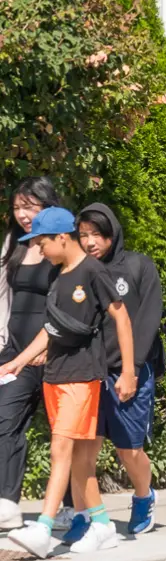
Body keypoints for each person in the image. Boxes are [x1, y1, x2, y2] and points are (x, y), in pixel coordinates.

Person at [1, 208, 136, 558]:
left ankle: (44, 527)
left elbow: (121, 317)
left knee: (61, 450)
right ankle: (103, 525)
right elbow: (51, 328)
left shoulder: (93, 272)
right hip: (55, 375)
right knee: (77, 461)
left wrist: (129, 371)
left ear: (63, 237)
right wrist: (17, 361)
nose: (39, 249)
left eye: (43, 242)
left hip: (82, 375)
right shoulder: (57, 277)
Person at [77, 205, 166, 534]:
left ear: (112, 233)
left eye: (97, 234)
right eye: (83, 235)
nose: (90, 242)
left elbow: (147, 321)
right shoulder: (80, 271)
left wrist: (132, 370)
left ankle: (144, 496)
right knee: (85, 448)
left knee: (129, 450)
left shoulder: (138, 266)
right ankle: (87, 516)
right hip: (88, 373)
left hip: (128, 371)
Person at [0, 177, 62, 532]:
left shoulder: (60, 242)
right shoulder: (15, 244)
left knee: (63, 433)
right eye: (17, 208)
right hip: (15, 353)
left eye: (30, 207)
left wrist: (51, 344)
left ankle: (71, 507)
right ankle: (7, 503)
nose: (23, 215)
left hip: (54, 353)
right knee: (5, 420)